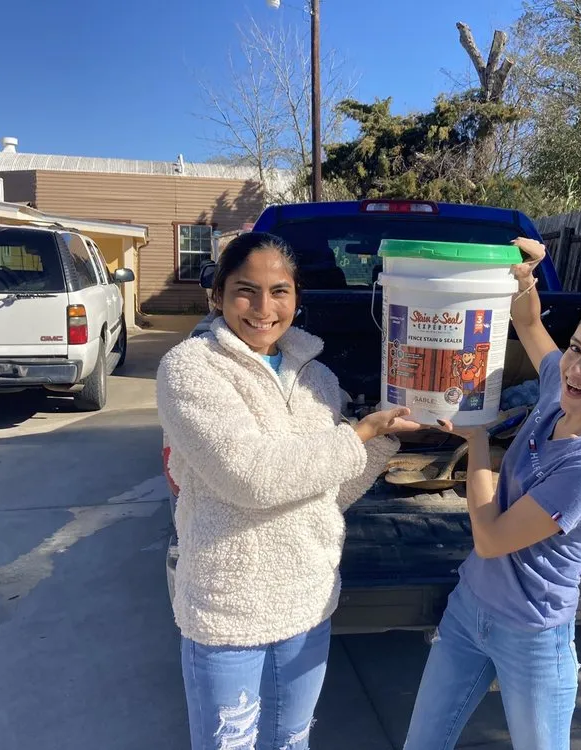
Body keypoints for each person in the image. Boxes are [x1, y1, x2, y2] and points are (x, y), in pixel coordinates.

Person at [156, 231, 420, 750]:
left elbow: (330, 490)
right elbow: (251, 478)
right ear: (218, 296)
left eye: (279, 291)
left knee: (291, 741)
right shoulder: (190, 368)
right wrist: (359, 433)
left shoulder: (317, 377)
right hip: (229, 607)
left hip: (307, 599)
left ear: (297, 297)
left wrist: (384, 440)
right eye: (244, 290)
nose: (263, 307)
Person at [403, 237, 581, 750]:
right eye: (576, 350)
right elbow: (527, 324)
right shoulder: (557, 393)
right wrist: (523, 280)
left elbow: (492, 539)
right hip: (467, 610)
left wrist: (477, 442)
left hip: (531, 635)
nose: (577, 368)